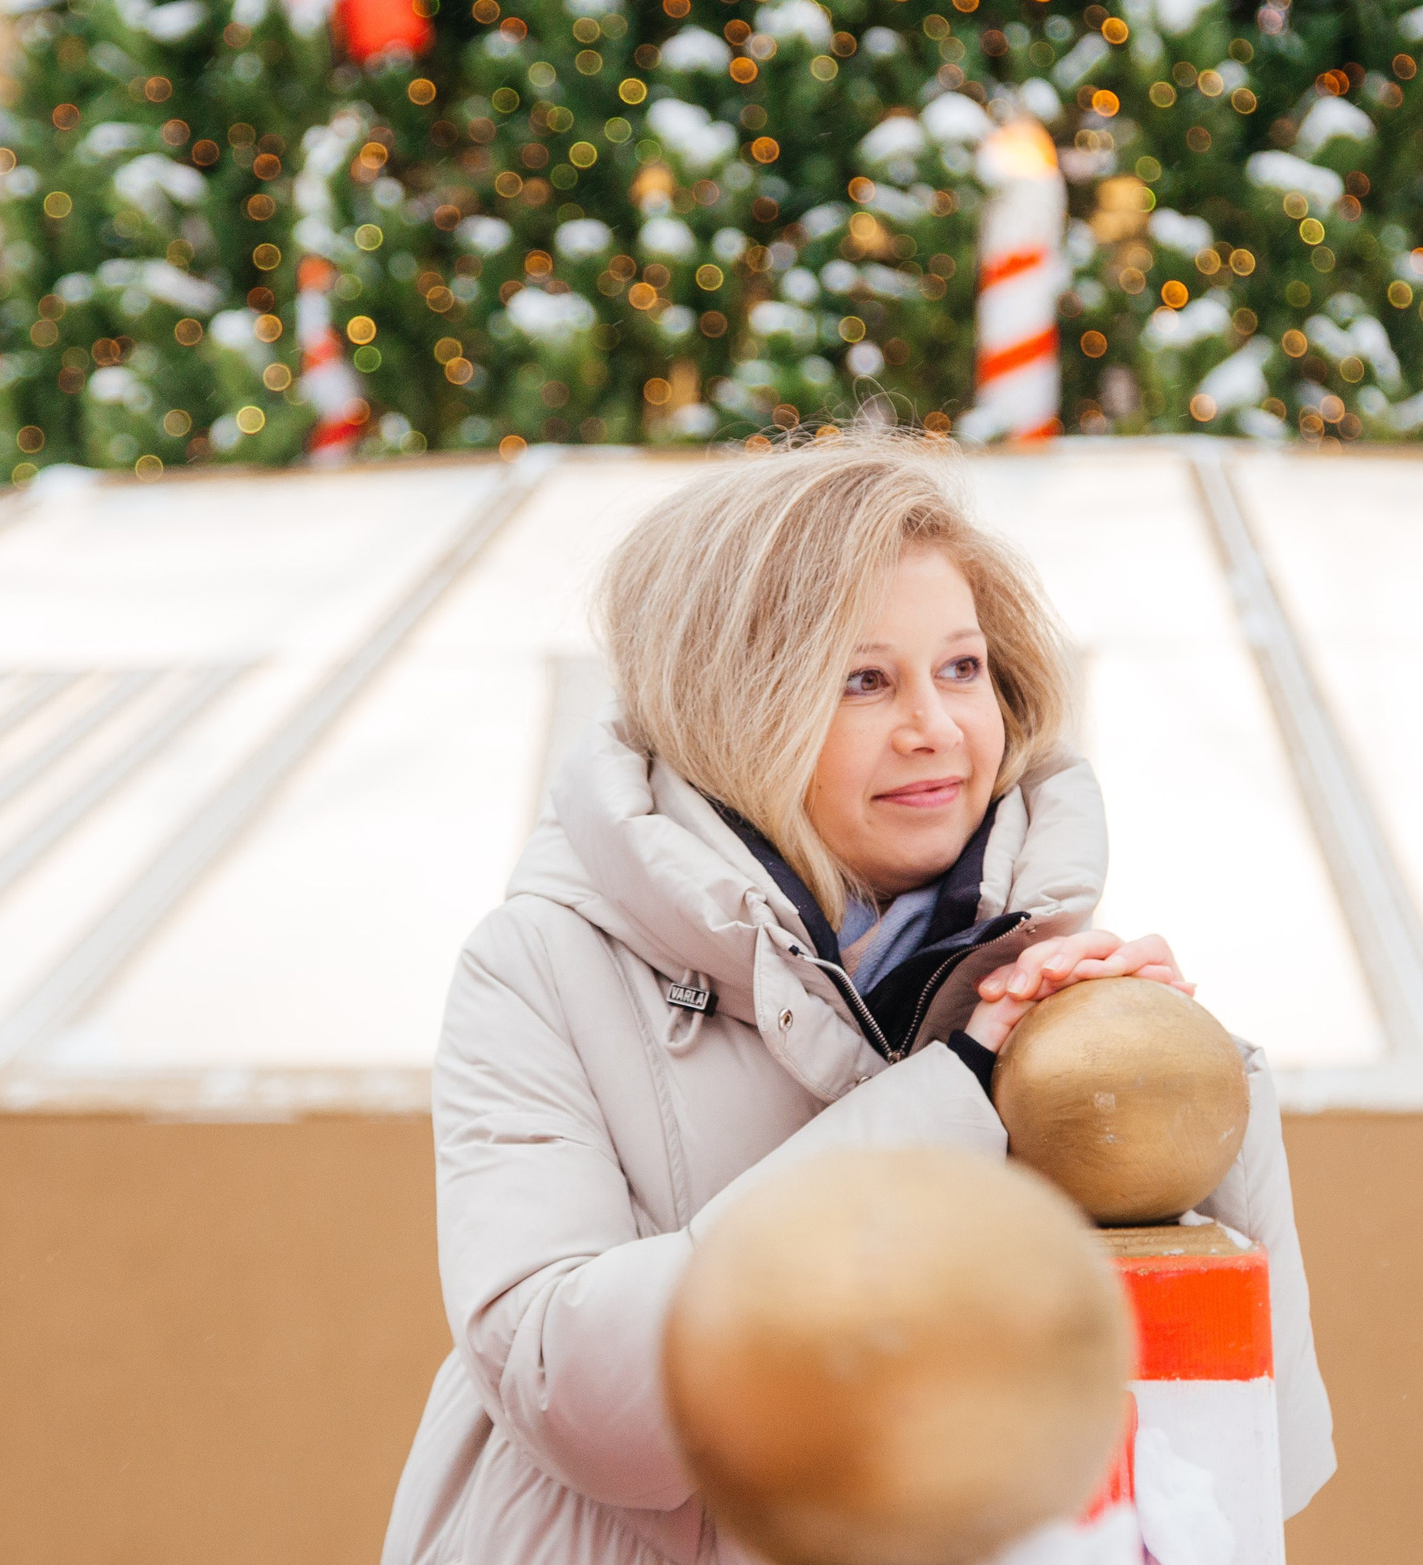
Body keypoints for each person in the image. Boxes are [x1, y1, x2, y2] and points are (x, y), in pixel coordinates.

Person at [383, 435, 1333, 1564]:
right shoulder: (539, 966)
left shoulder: (1050, 997)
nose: (935, 727)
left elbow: (1260, 1460)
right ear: (735, 706)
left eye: (962, 668)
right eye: (863, 680)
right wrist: (962, 1095)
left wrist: (1189, 1094)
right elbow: (574, 1397)